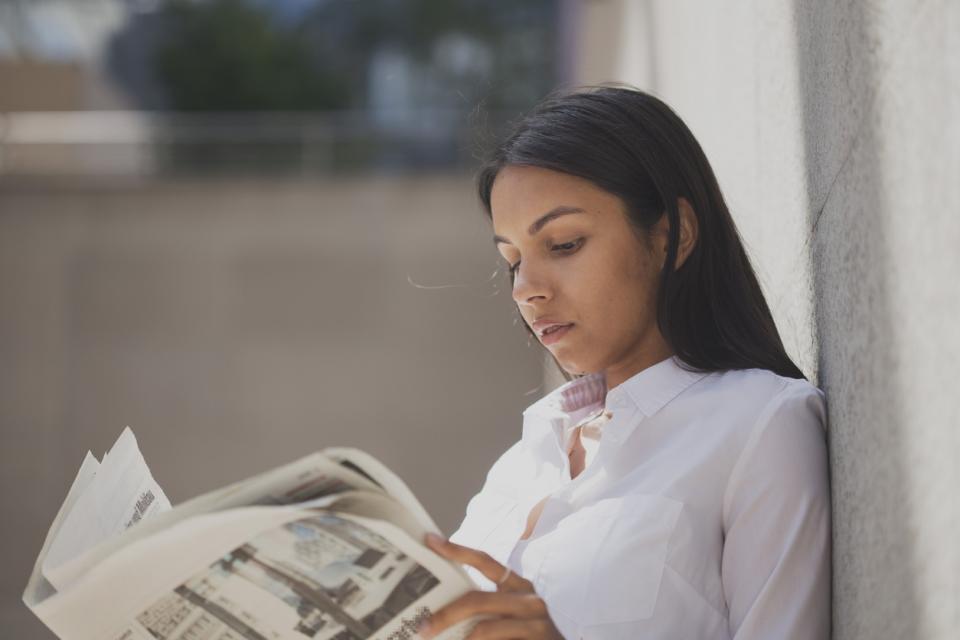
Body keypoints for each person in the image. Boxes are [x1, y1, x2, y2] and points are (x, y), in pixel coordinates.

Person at [415, 84, 830, 640]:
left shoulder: (759, 423)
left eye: (563, 244)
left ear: (670, 236)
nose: (525, 289)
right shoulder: (520, 466)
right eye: (512, 260)